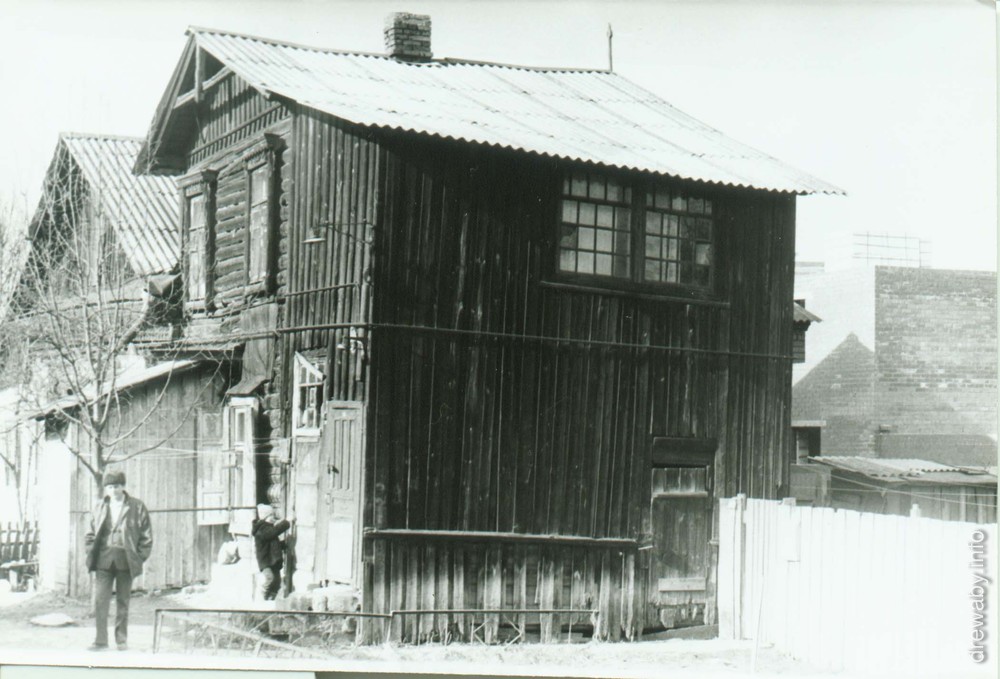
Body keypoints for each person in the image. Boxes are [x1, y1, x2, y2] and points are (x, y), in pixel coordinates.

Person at [84, 470, 153, 651]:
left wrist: (138, 558)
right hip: (103, 562)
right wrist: (91, 552)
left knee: (123, 602)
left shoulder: (137, 507)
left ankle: (121, 641)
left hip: (125, 562)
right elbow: (90, 534)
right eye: (110, 487)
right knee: (101, 601)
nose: (113, 490)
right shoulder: (99, 507)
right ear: (105, 488)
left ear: (123, 486)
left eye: (117, 486)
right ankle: (100, 641)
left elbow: (146, 536)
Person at [252, 503, 293, 600]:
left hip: (272, 560)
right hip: (265, 561)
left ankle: (271, 599)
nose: (273, 518)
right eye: (271, 515)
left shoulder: (268, 528)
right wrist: (287, 522)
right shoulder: (262, 530)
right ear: (265, 517)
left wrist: (284, 544)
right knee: (269, 578)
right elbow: (273, 532)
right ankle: (261, 596)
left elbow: (273, 543)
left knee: (277, 582)